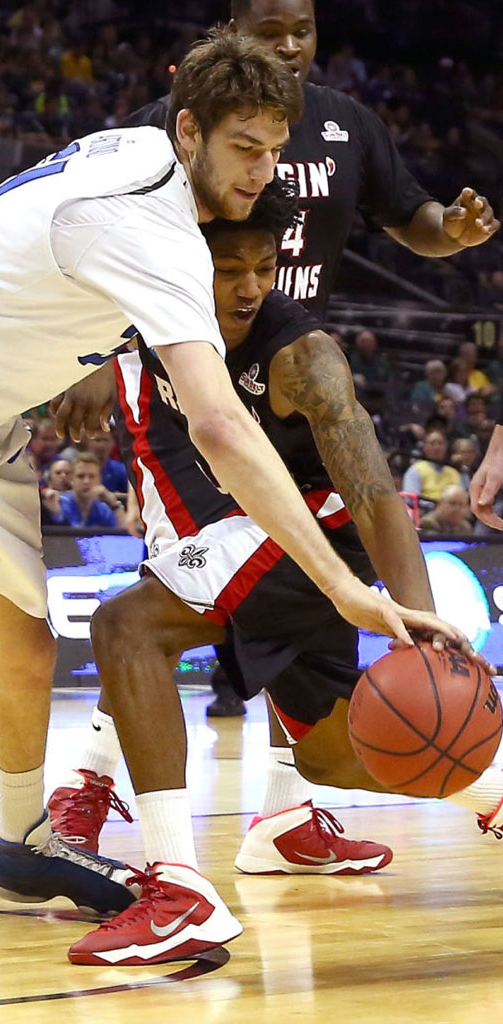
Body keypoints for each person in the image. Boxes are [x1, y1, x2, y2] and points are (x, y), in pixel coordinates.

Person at [0, 34, 461, 996]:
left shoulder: (131, 153)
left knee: (22, 649)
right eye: (243, 150)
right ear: (188, 131)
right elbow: (224, 429)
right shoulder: (151, 226)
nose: (262, 173)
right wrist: (347, 588)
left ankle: (23, 838)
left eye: (274, 152)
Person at [67, 0, 499, 822]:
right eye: (271, 32)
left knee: (172, 617)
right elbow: (93, 242)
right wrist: (87, 348)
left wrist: (452, 231)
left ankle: (240, 812)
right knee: (193, 620)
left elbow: (415, 222)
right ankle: (237, 809)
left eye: (303, 29)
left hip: (286, 376)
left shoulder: (347, 126)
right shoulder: (155, 133)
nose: (292, 46)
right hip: (182, 368)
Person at [56, 193, 501, 966]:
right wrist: (99, 355)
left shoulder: (302, 356)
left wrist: (418, 623)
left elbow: (375, 493)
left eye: (264, 267)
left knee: (127, 626)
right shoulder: (154, 316)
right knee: (329, 759)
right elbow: (102, 302)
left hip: (312, 534)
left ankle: (177, 891)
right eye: (229, 268)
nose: (249, 286)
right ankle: (493, 790)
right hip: (245, 539)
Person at [43, 452, 124, 528]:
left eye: (92, 476)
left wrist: (115, 505)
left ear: (100, 480)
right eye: (81, 476)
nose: (86, 481)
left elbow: (128, 534)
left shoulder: (103, 509)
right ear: (72, 479)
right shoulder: (59, 503)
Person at [402, 430, 462, 502]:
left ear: (446, 446)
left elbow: (463, 498)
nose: (436, 447)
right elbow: (410, 499)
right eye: (432, 443)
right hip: (426, 511)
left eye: (440, 443)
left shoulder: (453, 472)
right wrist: (436, 505)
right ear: (425, 447)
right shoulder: (415, 470)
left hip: (454, 510)